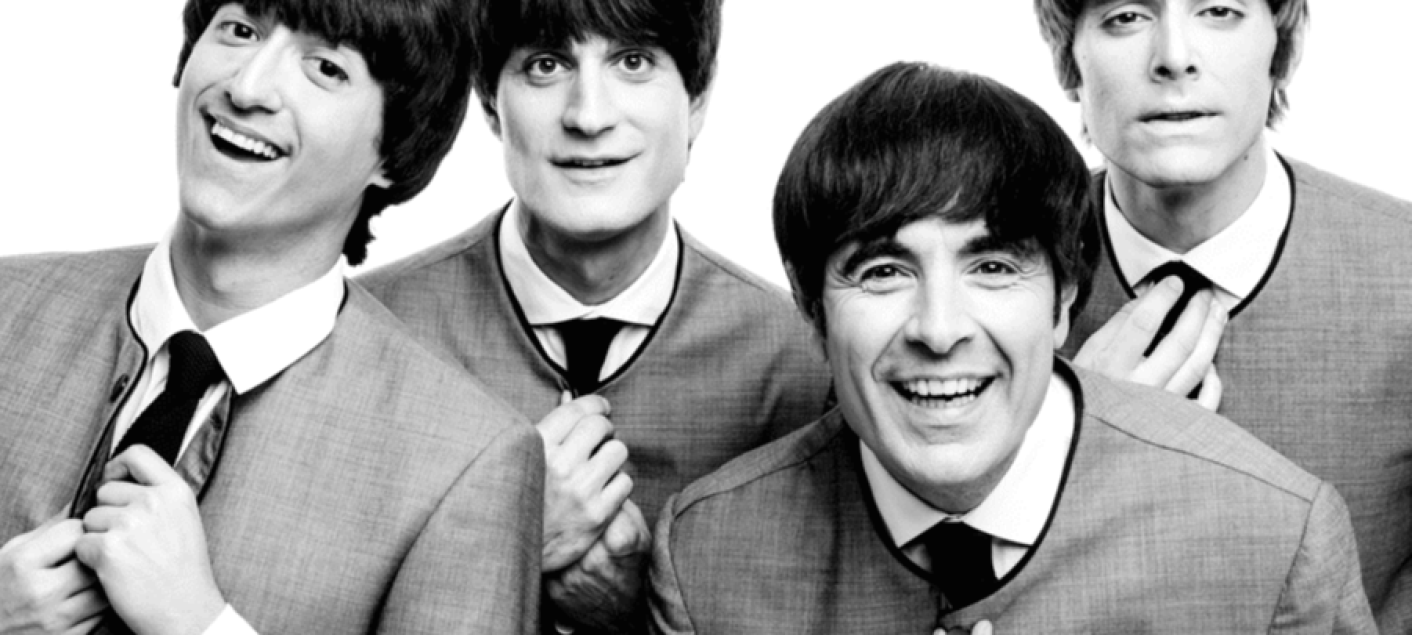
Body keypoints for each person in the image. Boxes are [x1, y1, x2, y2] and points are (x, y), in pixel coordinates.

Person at [648, 62, 1375, 634]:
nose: (939, 330)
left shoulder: (1277, 537)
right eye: (884, 272)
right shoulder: (704, 555)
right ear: (812, 310)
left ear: (1064, 300)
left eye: (993, 267)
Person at [0, 0, 543, 632]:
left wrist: (199, 624)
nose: (248, 87)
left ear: (396, 148)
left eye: (326, 68)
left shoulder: (468, 464)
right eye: (240, 30)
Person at [361, 0, 832, 630]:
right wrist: (510, 540)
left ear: (697, 98)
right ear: (490, 102)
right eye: (546, 65)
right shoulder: (370, 331)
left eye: (633, 61)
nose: (589, 115)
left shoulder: (808, 365)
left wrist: (636, 615)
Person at [1033, 1, 1412, 629]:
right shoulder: (979, 293)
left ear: (1282, 50)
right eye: (1126, 15)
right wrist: (1057, 438)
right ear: (1068, 61)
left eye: (1218, 9)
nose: (1174, 56)